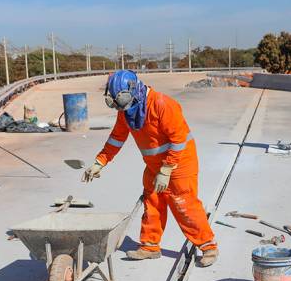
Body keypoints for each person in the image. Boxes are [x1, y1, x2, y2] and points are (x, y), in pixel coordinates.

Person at [82, 70, 218, 267]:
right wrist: (100, 162)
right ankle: (150, 246)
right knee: (152, 201)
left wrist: (167, 169)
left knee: (184, 204)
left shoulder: (162, 104)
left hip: (180, 162)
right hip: (154, 165)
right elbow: (116, 138)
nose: (123, 109)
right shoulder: (127, 110)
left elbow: (178, 141)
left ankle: (208, 246)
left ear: (134, 89)